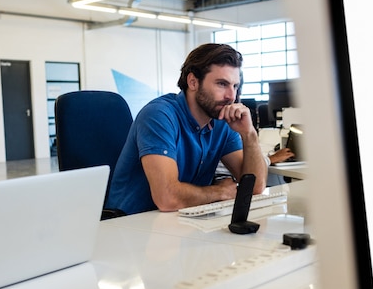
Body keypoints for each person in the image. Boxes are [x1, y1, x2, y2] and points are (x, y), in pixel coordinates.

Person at [106, 43, 266, 215]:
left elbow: (255, 187)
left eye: (235, 86)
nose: (231, 96)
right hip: (131, 225)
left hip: (180, 221)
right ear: (193, 82)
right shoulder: (159, 115)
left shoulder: (221, 120)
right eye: (222, 84)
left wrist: (249, 134)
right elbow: (167, 198)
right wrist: (220, 192)